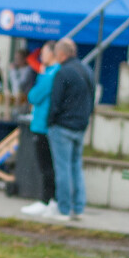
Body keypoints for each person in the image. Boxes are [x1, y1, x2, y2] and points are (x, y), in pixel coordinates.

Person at [45, 38, 95, 222]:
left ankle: (64, 209)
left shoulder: (63, 72)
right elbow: (92, 98)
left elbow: (55, 101)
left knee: (63, 169)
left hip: (62, 126)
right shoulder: (87, 70)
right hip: (80, 126)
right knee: (76, 168)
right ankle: (78, 208)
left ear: (61, 54)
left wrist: (50, 122)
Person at [20, 41, 59, 218]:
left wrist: (40, 76)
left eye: (44, 52)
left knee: (46, 165)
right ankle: (49, 200)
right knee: (48, 165)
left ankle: (47, 200)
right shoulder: (52, 72)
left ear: (52, 53)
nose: (41, 56)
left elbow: (34, 96)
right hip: (44, 123)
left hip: (42, 125)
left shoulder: (50, 73)